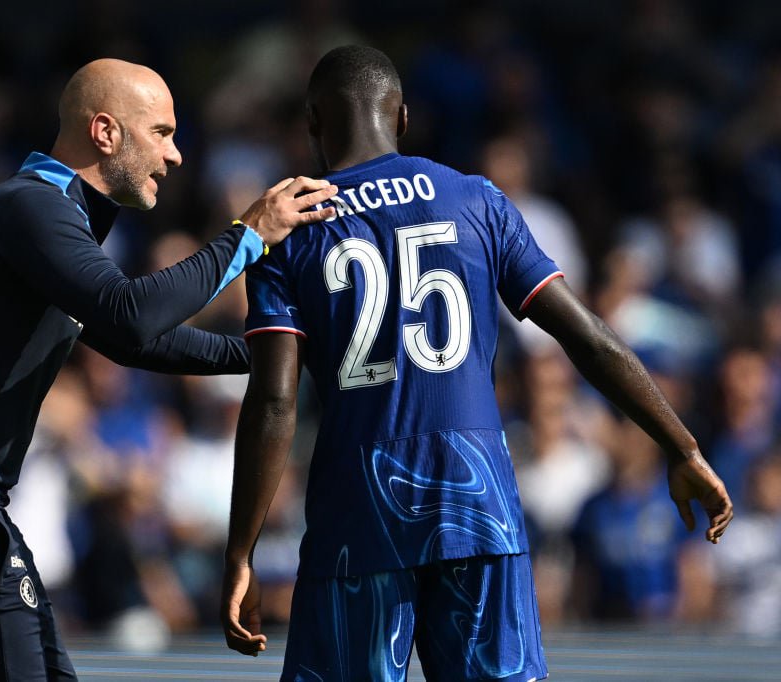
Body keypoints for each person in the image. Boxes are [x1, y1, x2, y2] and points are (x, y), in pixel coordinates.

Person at [220, 45, 732, 682]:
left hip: (361, 504)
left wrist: (241, 549)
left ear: (313, 124)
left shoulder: (287, 229)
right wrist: (681, 446)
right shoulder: (477, 199)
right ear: (402, 119)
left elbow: (275, 400)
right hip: (478, 500)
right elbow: (590, 338)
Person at [0, 58, 337, 682]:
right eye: (161, 132)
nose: (177, 155)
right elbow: (131, 317)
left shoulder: (50, 217)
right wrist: (248, 235)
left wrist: (282, 351)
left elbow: (132, 341)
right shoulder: (31, 208)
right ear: (105, 133)